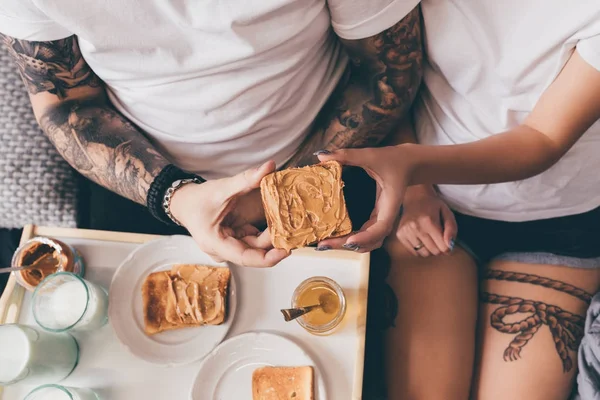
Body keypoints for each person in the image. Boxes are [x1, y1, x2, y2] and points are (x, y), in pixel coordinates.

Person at [0, 1, 423, 398]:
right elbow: (66, 104)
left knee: (342, 359)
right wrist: (176, 196)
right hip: (142, 182)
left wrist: (281, 191)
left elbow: (389, 71)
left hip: (320, 170)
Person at [314, 2, 600, 399]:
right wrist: (413, 189)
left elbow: (543, 139)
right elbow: (388, 77)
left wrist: (410, 168)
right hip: (428, 201)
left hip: (555, 222)